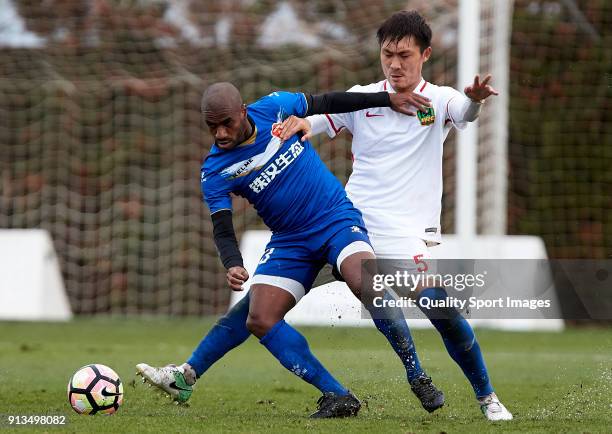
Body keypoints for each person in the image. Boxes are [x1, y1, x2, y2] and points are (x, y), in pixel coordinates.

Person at [137, 82, 444, 418]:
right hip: (290, 241)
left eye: (227, 123)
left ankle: (417, 375)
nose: (220, 133)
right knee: (259, 318)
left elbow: (329, 100)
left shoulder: (275, 107)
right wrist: (233, 263)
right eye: (212, 127)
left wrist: (388, 98)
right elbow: (222, 227)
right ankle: (337, 395)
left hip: (334, 218)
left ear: (243, 111)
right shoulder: (214, 171)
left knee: (367, 282)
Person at [277, 10, 512, 422]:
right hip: (346, 227)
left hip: (403, 234)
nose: (395, 63)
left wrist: (473, 100)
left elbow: (464, 110)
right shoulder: (362, 96)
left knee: (441, 309)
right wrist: (298, 123)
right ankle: (188, 371)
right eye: (388, 54)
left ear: (425, 55)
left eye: (404, 54)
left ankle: (487, 397)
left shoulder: (437, 99)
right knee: (263, 304)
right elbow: (316, 121)